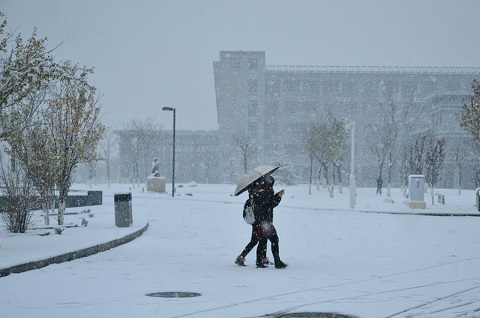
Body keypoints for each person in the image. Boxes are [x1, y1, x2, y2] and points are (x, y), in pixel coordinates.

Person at [253, 175, 287, 269]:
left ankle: (259, 261)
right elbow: (270, 205)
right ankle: (277, 262)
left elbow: (268, 203)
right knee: (274, 240)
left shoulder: (259, 192)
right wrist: (278, 197)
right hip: (264, 222)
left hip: (260, 221)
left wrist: (276, 196)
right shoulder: (263, 193)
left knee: (262, 241)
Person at [235, 183, 270, 266]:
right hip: (259, 223)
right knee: (262, 240)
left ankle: (242, 257)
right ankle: (260, 260)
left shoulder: (249, 200)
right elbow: (264, 208)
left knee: (255, 241)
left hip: (255, 223)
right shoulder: (258, 198)